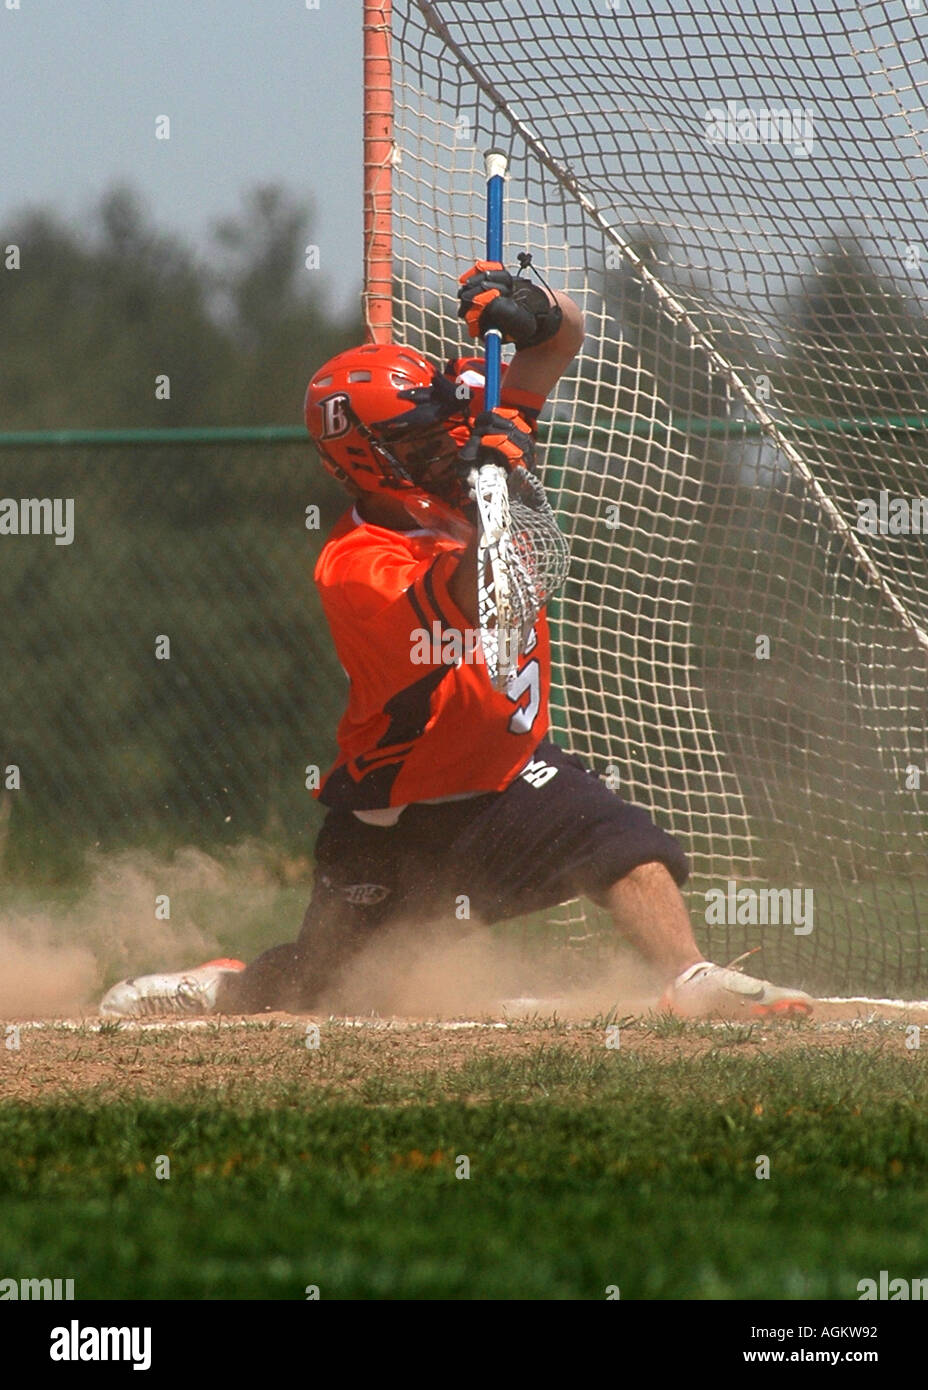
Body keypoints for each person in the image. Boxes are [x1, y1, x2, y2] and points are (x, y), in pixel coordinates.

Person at [100, 263, 812, 1021]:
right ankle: (231, 984)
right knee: (327, 986)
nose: (447, 438)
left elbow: (565, 337)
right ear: (367, 458)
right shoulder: (356, 564)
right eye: (421, 436)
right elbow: (483, 595)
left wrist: (531, 306)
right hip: (398, 811)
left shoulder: (469, 440)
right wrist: (497, 473)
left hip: (509, 772)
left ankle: (690, 976)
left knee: (622, 843)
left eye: (446, 422)